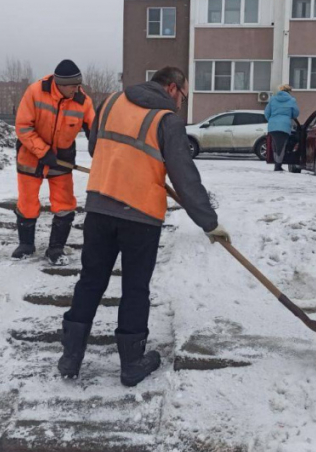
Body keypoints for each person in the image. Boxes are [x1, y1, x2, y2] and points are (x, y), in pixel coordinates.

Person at [56, 66, 230, 387]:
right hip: (140, 217)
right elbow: (185, 178)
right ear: (173, 88)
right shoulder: (167, 120)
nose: (181, 104)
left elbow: (97, 147)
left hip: (99, 207)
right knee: (135, 288)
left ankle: (71, 356)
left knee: (91, 281)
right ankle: (132, 363)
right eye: (183, 97)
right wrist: (210, 223)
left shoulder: (110, 102)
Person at [12, 59, 95, 265]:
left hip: (62, 161)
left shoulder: (83, 101)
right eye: (73, 86)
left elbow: (95, 130)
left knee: (65, 204)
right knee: (28, 202)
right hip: (30, 157)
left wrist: (100, 148)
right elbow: (23, 126)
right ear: (61, 84)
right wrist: (42, 151)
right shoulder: (35, 92)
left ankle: (56, 248)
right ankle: (26, 244)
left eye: (79, 85)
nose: (77, 89)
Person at [264, 84, 300, 172]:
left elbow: (267, 113)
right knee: (282, 145)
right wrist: (288, 117)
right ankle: (278, 165)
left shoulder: (272, 99)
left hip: (273, 125)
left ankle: (277, 164)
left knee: (275, 145)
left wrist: (272, 120)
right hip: (284, 125)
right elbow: (295, 114)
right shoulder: (292, 100)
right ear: (288, 92)